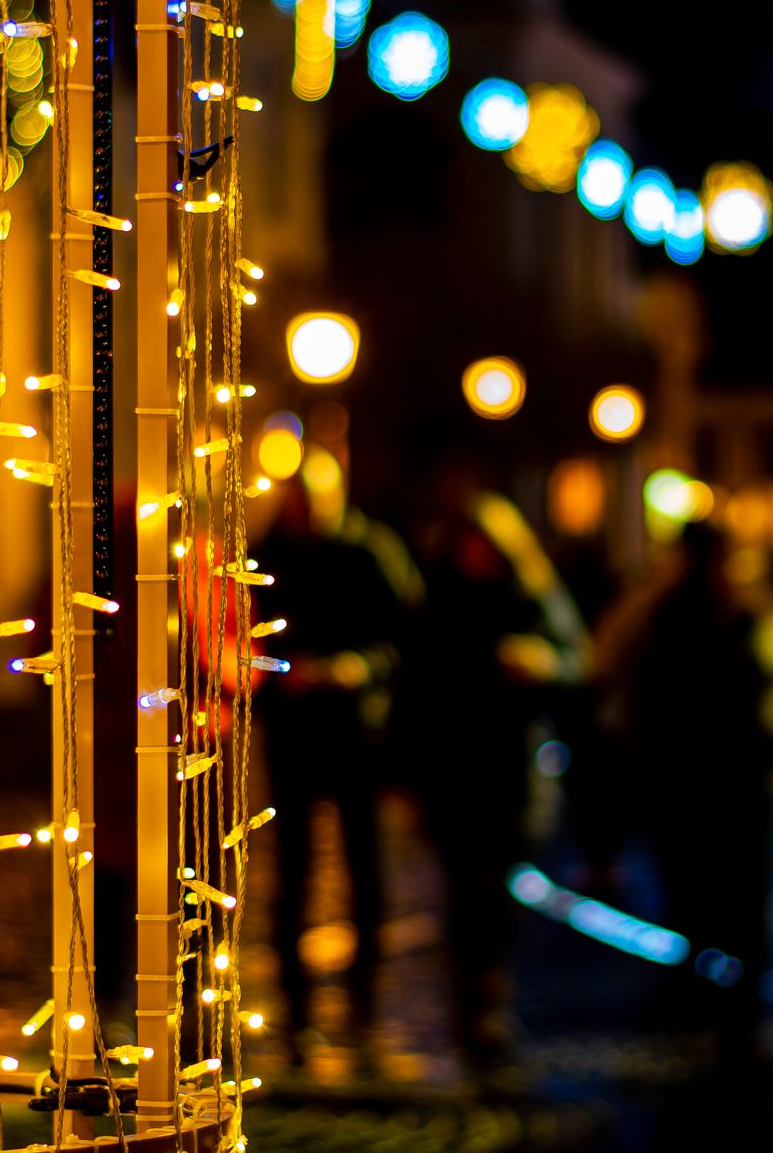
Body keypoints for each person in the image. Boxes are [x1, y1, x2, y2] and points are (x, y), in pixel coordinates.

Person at [400, 467, 587, 1085]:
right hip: (454, 771)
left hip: (511, 769)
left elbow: (576, 665)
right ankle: (470, 1003)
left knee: (498, 893)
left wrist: (540, 666)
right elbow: (415, 688)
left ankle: (490, 997)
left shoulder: (529, 595)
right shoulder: (438, 602)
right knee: (463, 892)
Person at [251, 447, 414, 1062]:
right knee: (292, 871)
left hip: (354, 734)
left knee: (364, 866)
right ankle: (296, 1007)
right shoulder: (271, 553)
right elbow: (247, 629)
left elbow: (403, 638)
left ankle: (363, 1001)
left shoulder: (370, 553)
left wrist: (356, 669)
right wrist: (278, 675)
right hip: (293, 730)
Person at [595, 520, 773, 1058]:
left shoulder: (725, 614)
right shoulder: (705, 613)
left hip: (698, 776)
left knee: (700, 889)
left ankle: (711, 985)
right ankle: (724, 992)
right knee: (713, 890)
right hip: (705, 776)